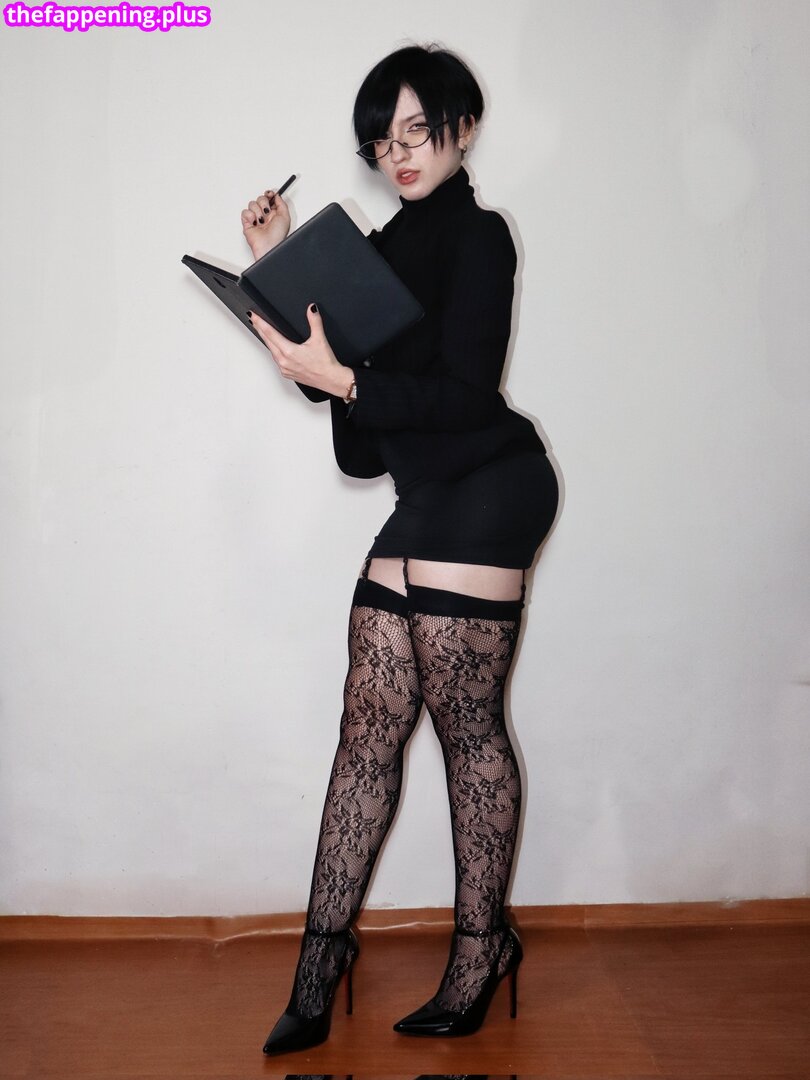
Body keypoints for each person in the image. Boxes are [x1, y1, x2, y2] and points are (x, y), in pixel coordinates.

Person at [240, 43, 559, 1056]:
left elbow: (463, 394)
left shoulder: (480, 238)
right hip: (426, 496)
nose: (400, 153)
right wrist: (280, 273)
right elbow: (356, 417)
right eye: (382, 141)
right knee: (367, 725)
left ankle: (480, 951)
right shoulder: (371, 254)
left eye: (417, 130)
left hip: (493, 482)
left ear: (464, 127)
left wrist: (344, 381)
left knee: (466, 727)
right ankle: (320, 960)